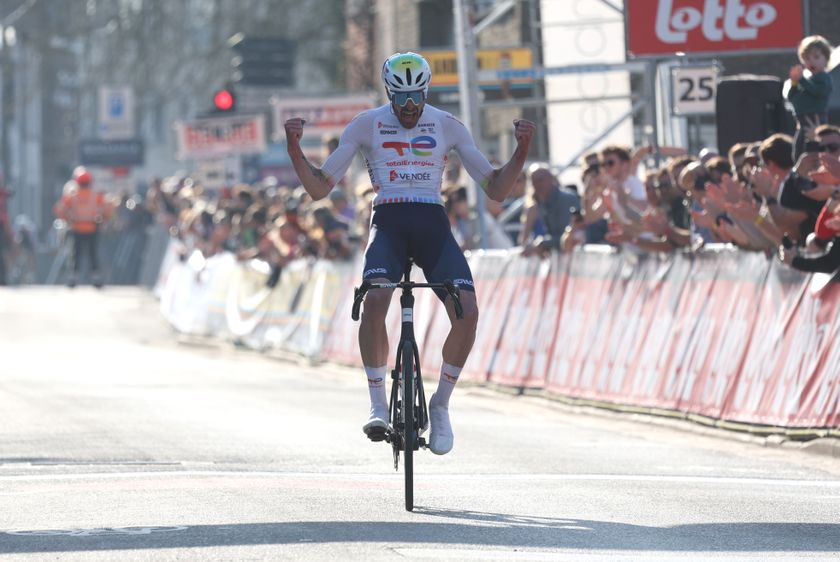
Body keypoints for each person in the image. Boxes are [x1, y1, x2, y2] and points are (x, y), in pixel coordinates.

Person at [284, 51, 534, 455]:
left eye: (416, 97)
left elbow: (496, 188)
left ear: (425, 90)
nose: (410, 107)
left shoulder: (448, 125)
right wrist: (295, 149)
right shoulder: (366, 124)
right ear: (389, 94)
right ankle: (378, 403)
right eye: (401, 99)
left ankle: (440, 405)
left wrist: (521, 151)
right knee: (375, 302)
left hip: (432, 223)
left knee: (468, 314)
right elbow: (320, 187)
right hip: (389, 221)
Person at [53, 167, 113, 288]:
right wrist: (103, 219)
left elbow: (59, 209)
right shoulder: (96, 195)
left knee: (76, 254)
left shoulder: (72, 196)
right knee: (93, 253)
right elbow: (109, 209)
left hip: (76, 228)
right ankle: (95, 277)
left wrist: (67, 219)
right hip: (92, 228)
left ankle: (73, 277)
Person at [787, 35, 833, 159]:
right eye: (807, 58)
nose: (811, 61)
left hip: (816, 120)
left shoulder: (824, 78)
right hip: (802, 122)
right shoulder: (806, 81)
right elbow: (791, 97)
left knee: (815, 153)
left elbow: (819, 91)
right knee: (798, 154)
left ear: (826, 58)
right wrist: (795, 82)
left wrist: (802, 80)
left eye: (816, 57)